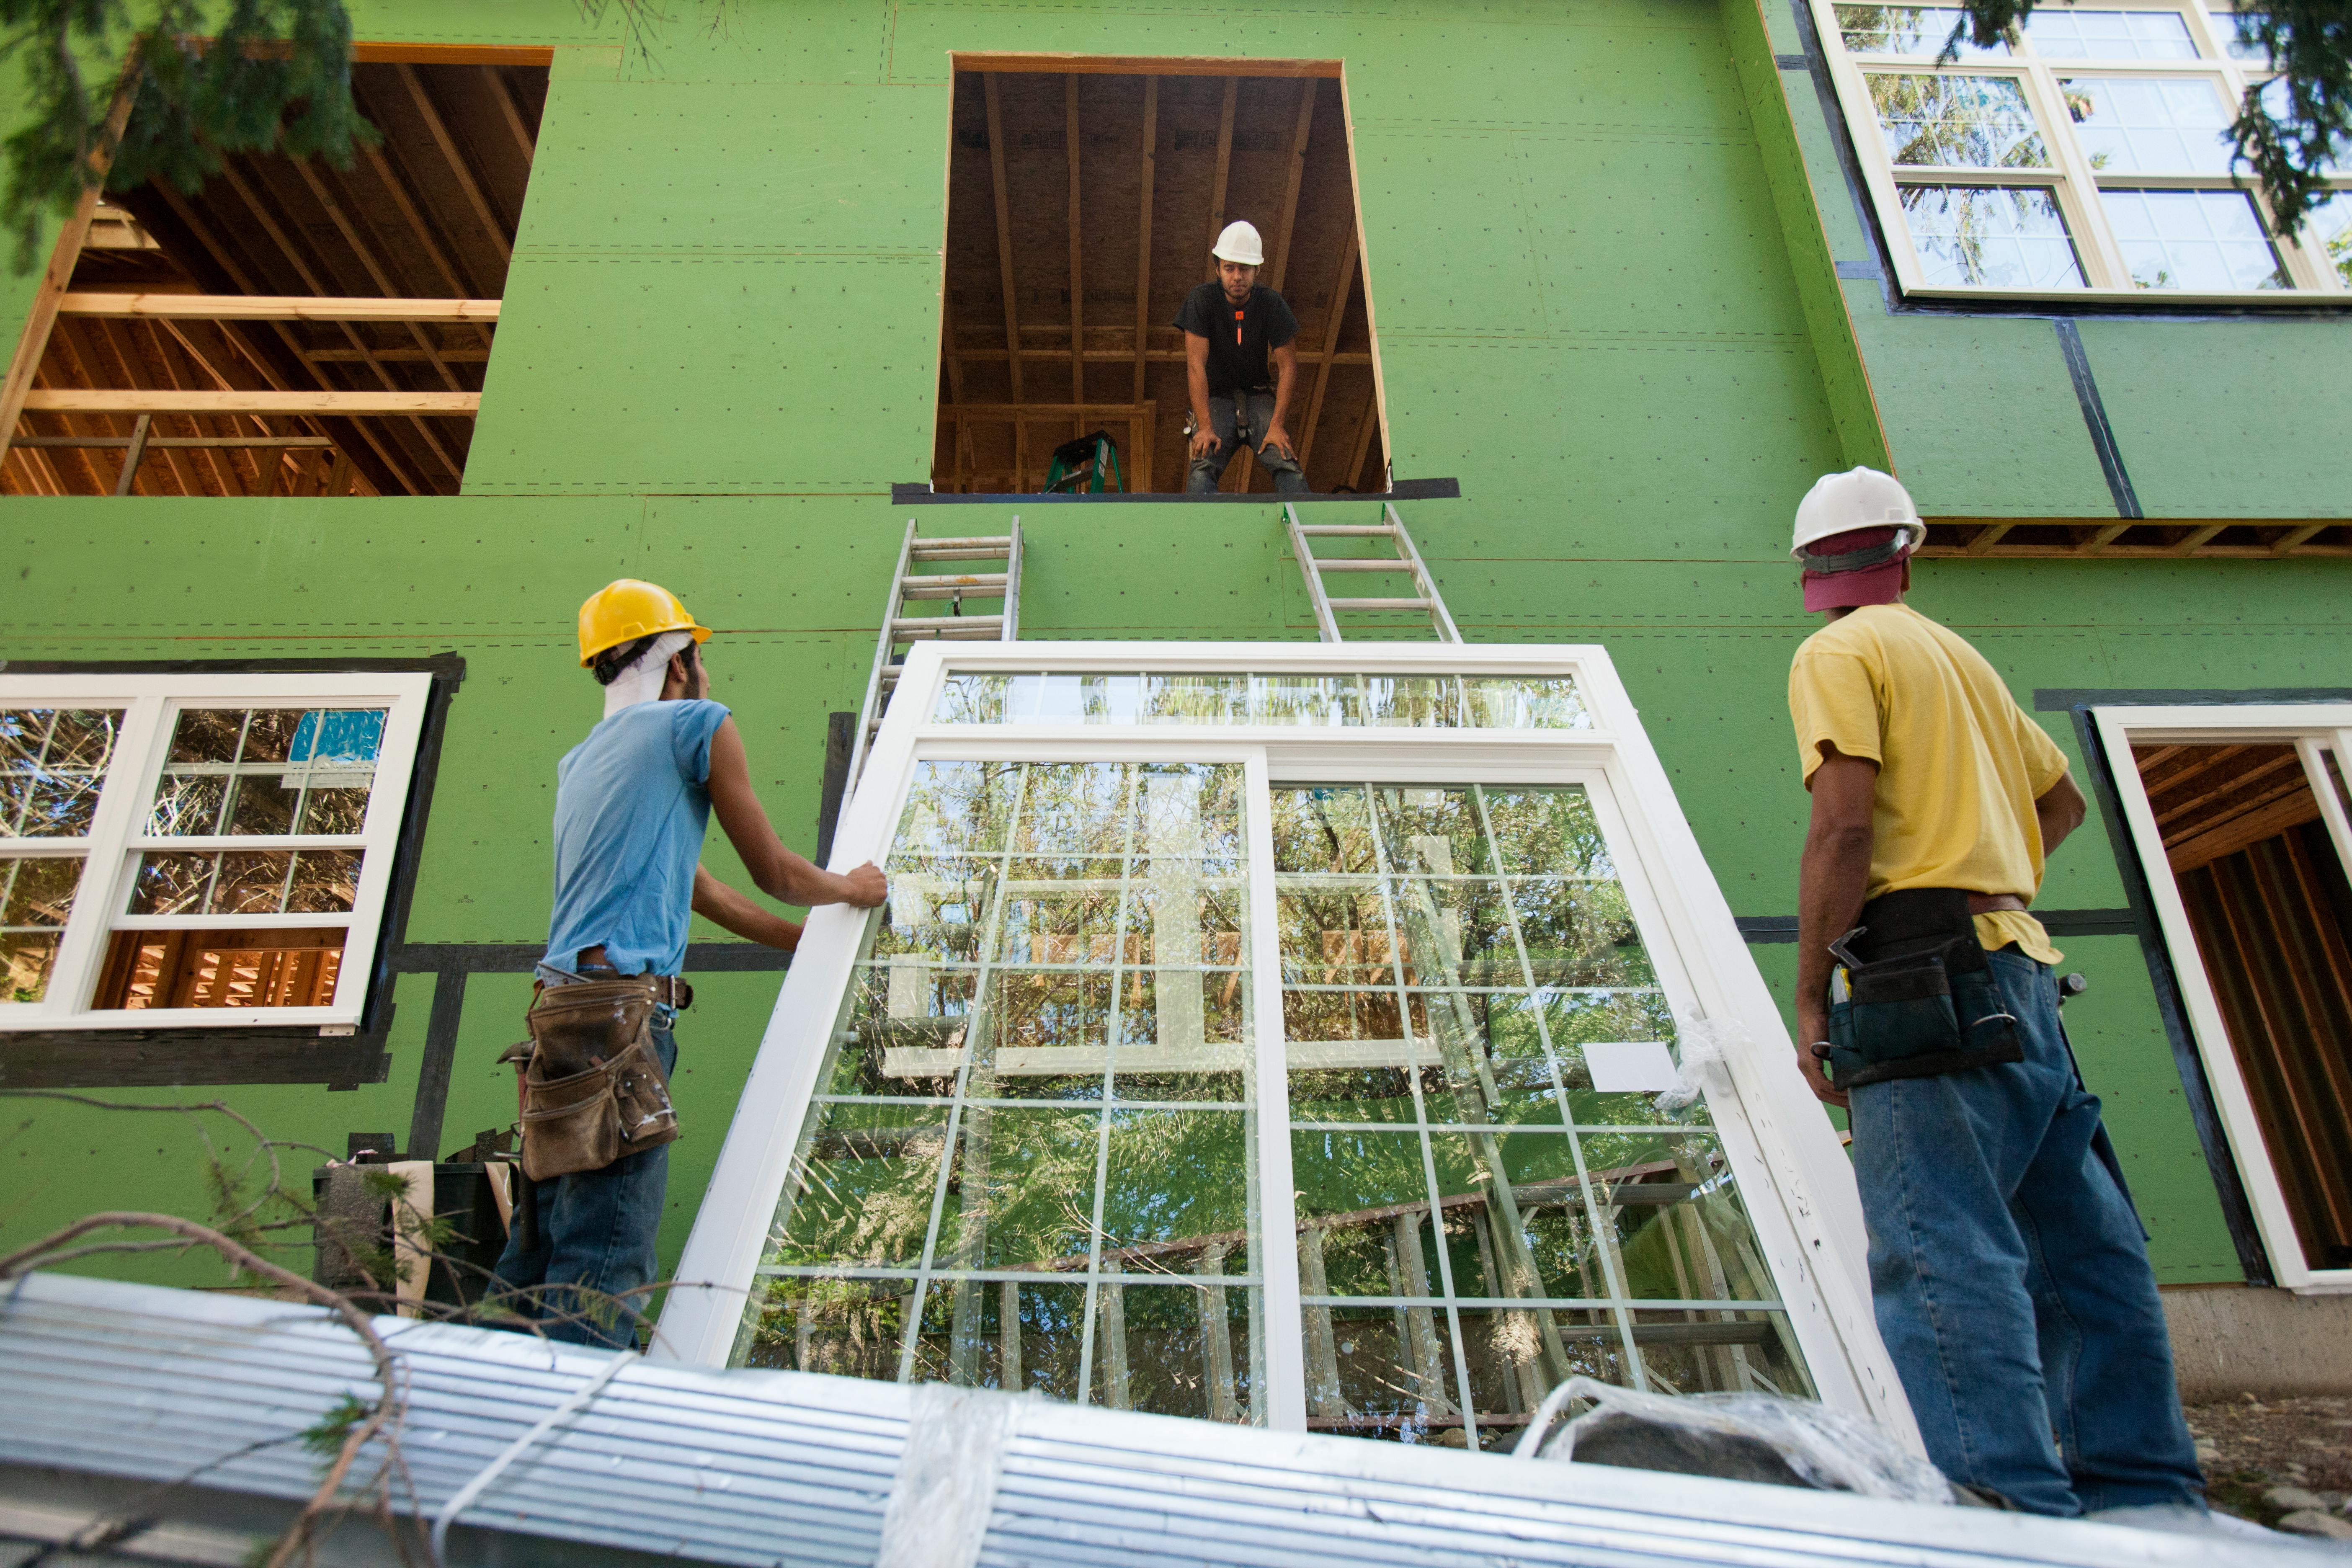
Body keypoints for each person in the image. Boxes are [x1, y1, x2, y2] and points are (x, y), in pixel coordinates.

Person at [1785, 469, 2208, 1527]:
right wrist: (1993, 875)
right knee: (2080, 1248)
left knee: (1940, 1249)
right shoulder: (1960, 658)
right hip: (2021, 967)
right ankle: (2145, 1491)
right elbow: (2058, 800)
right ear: (1906, 555)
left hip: (1918, 974)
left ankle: (2006, 1509)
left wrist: (1809, 997)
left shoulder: (1835, 652)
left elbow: (1843, 828)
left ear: (1808, 571)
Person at [490, 579, 886, 1349]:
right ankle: (571, 1455)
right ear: (681, 663)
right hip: (619, 1025)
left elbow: (697, 887)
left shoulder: (583, 761)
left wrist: (801, 942)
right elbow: (771, 867)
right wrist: (852, 888)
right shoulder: (697, 725)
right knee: (604, 1260)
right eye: (701, 661)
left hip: (556, 1020)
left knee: (535, 1257)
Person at [1176, 220, 1309, 496]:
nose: (1237, 276)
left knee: (1286, 463)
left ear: (1257, 270)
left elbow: (1288, 367)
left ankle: (1303, 524)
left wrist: (1277, 425)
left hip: (1258, 394)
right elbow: (1195, 367)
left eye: (1245, 269)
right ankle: (1201, 532)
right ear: (1218, 269)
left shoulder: (1271, 303)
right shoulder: (1202, 300)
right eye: (1229, 268)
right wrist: (1206, 427)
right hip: (1216, 397)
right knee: (1203, 466)